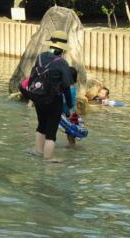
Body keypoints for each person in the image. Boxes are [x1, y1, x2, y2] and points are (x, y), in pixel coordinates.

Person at [27, 30, 77, 161]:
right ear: (63, 49)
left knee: (41, 125)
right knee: (51, 132)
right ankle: (48, 159)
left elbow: (34, 76)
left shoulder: (40, 57)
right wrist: (71, 108)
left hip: (38, 97)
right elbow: (66, 86)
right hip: (53, 100)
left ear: (50, 44)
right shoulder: (62, 63)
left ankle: (38, 151)